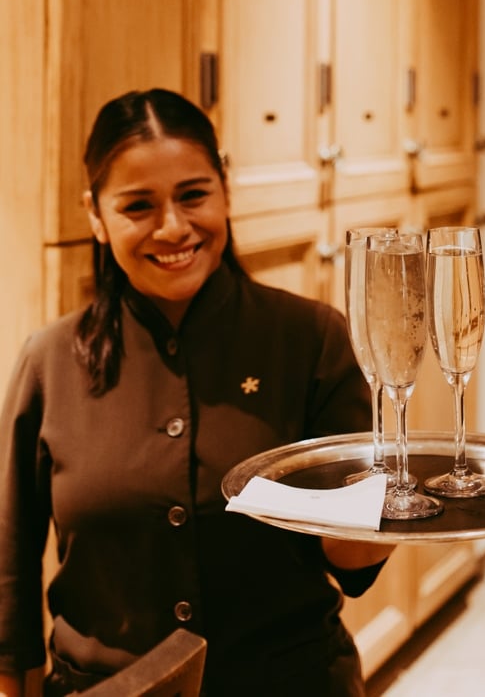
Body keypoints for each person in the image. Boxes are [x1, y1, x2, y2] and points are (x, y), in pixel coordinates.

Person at [0, 89, 395, 697]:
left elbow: (353, 567)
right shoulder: (49, 361)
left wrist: (386, 503)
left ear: (226, 190)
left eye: (193, 195)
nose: (173, 228)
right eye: (138, 206)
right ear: (95, 216)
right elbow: (11, 563)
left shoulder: (311, 338)